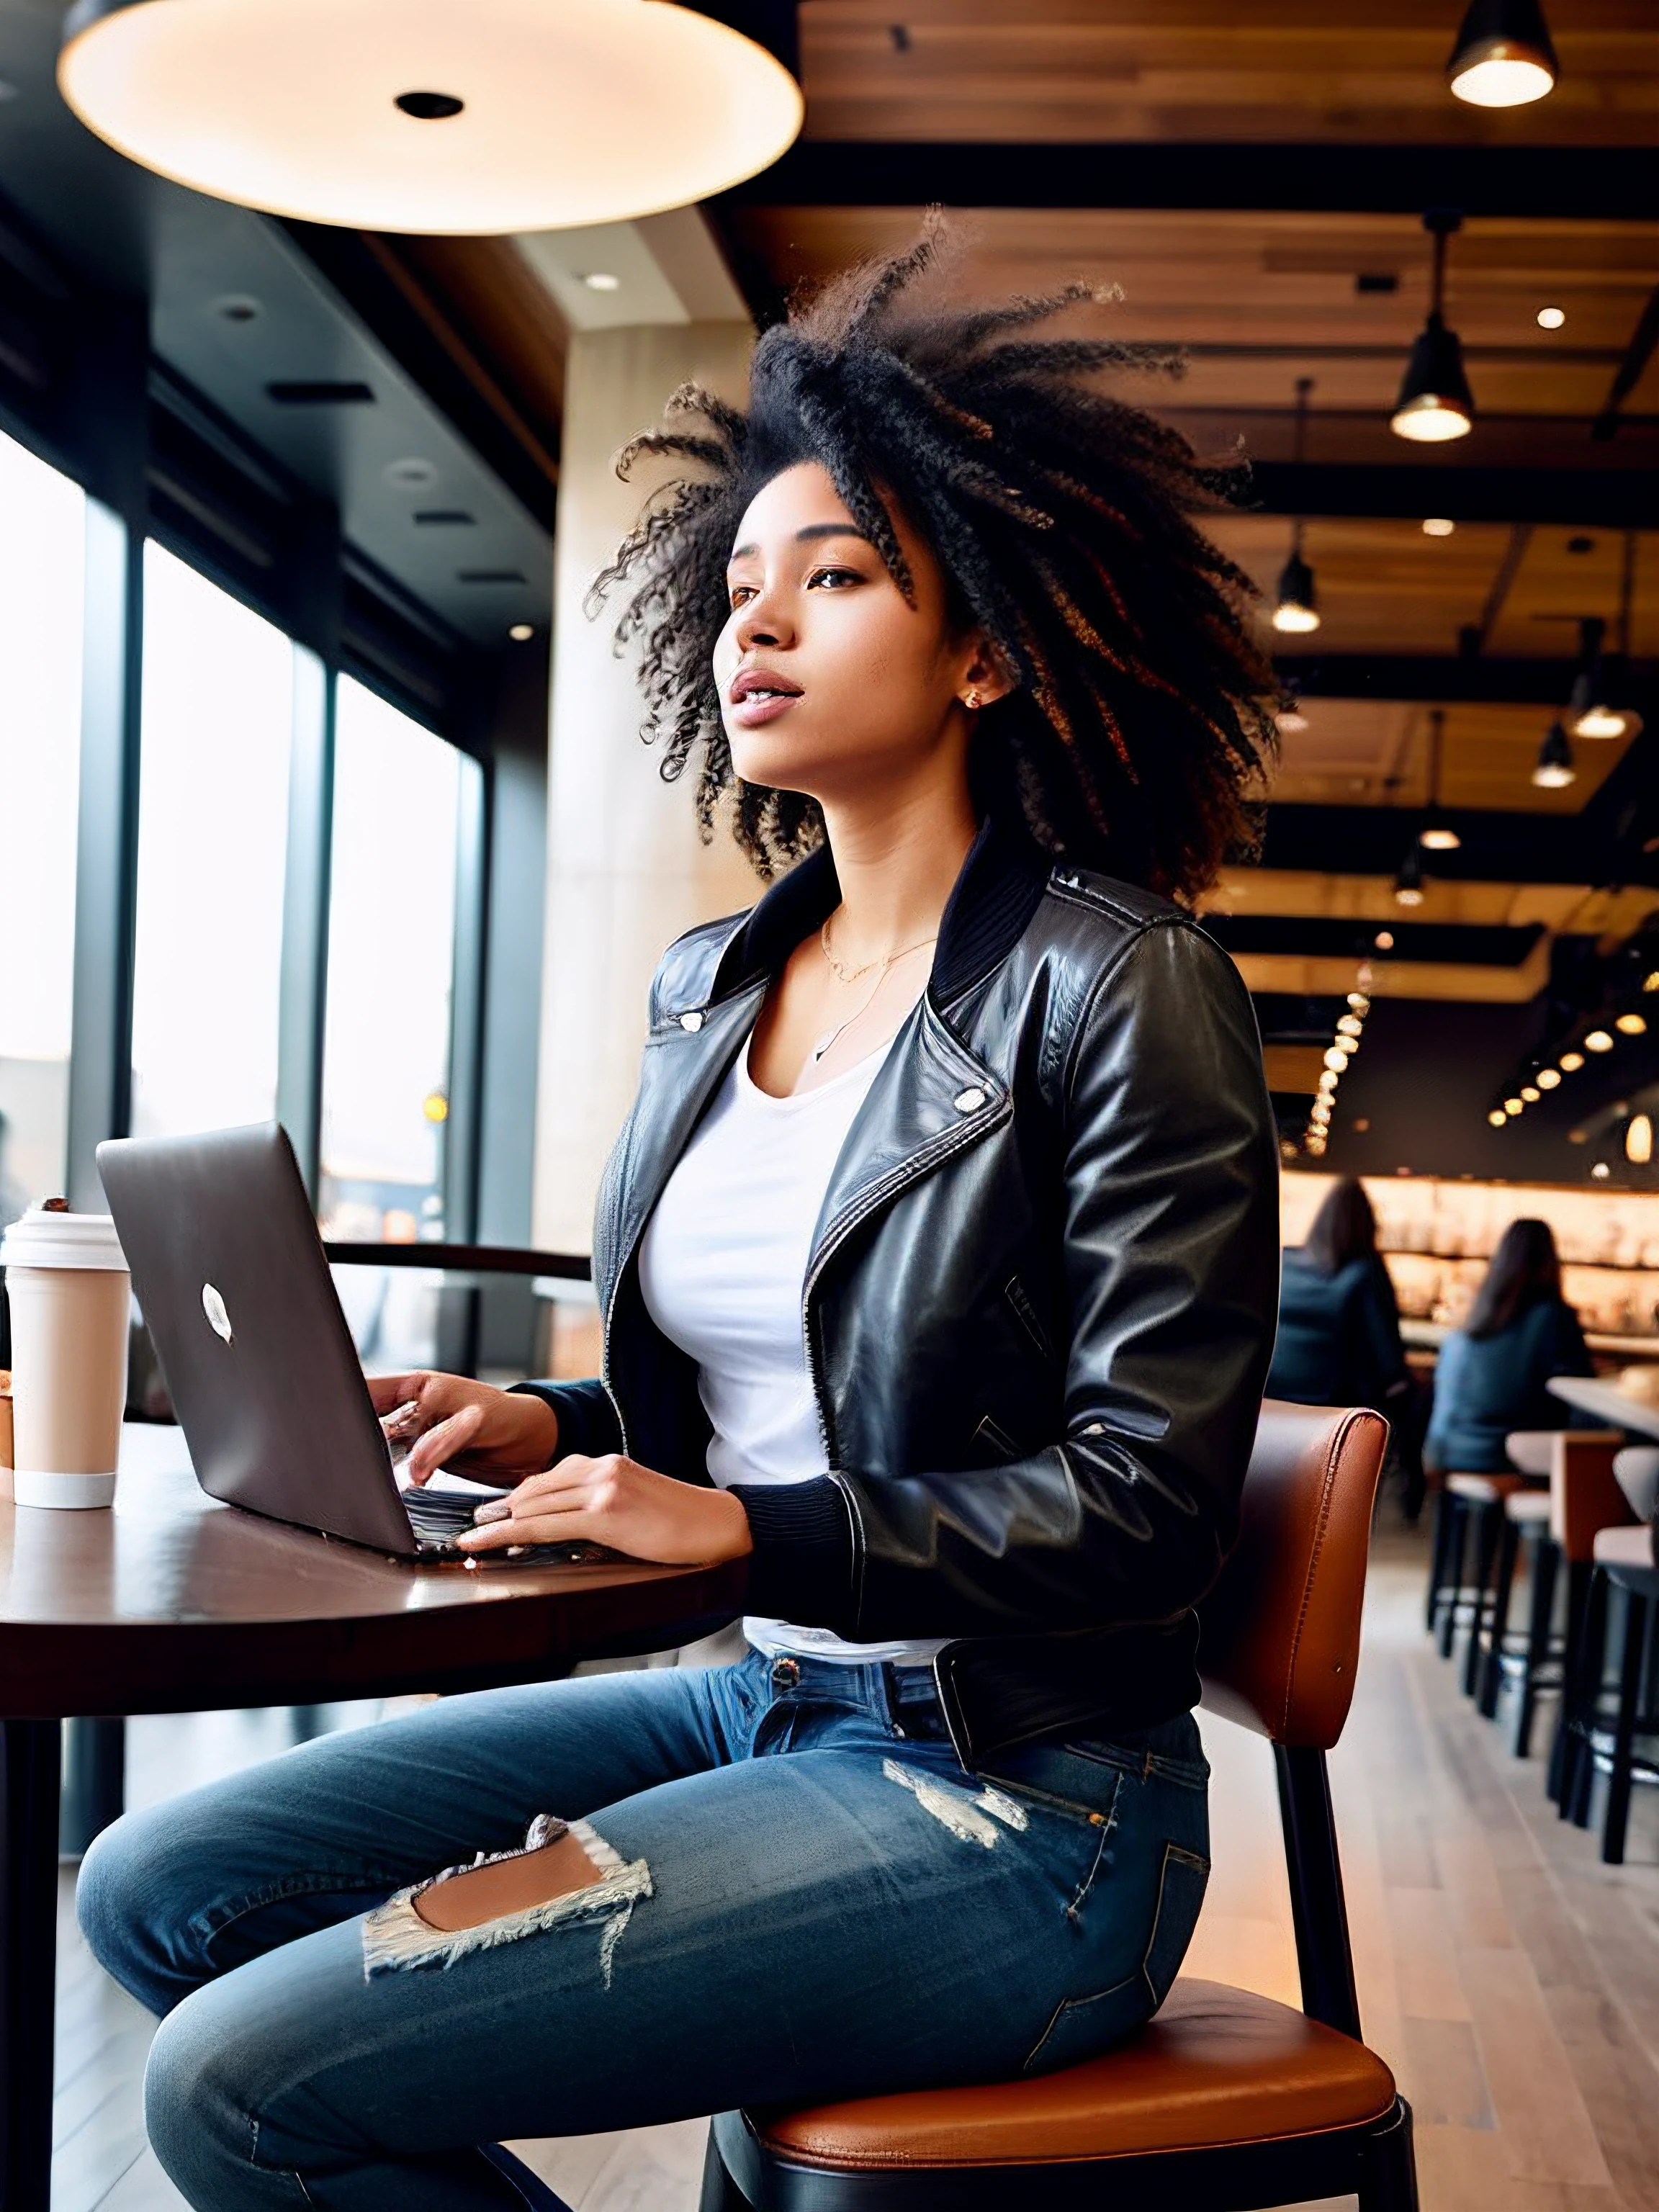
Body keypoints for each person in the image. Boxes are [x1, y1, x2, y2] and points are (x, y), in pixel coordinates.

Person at [78, 230, 1280, 2212]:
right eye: (738, 587)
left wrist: (748, 1528)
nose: (759, 625)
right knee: (157, 1881)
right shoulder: (711, 983)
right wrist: (561, 1426)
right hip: (768, 1699)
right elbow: (793, 1387)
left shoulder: (1118, 983)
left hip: (1026, 1795)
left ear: (983, 651)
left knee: (237, 2084)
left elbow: (1149, 1498)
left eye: (835, 578)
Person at [1424, 1218, 1594, 1474]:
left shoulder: (1475, 1320)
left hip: (1453, 1452)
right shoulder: (1553, 1318)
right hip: (1509, 1458)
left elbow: (1446, 1405)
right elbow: (1583, 1393)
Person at [1268, 1177, 1407, 1411]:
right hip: (1331, 1410)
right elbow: (1389, 1361)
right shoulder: (1365, 1273)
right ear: (1369, 1225)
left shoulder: (1284, 1262)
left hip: (1269, 1401)